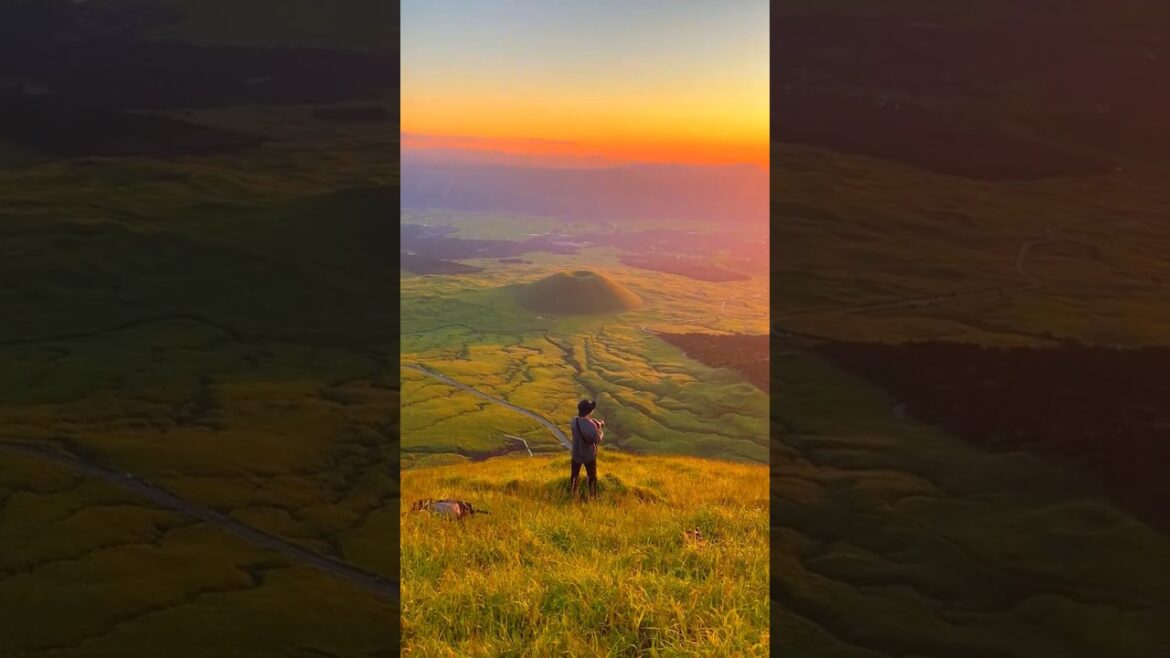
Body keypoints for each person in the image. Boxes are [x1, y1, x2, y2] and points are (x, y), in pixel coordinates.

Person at [569, 398, 605, 499]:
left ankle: (573, 493)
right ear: (590, 411)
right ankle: (592, 495)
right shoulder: (592, 426)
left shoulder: (574, 420)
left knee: (574, 475)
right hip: (589, 455)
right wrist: (600, 429)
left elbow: (579, 429)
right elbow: (597, 440)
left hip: (576, 453)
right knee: (592, 475)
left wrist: (593, 423)